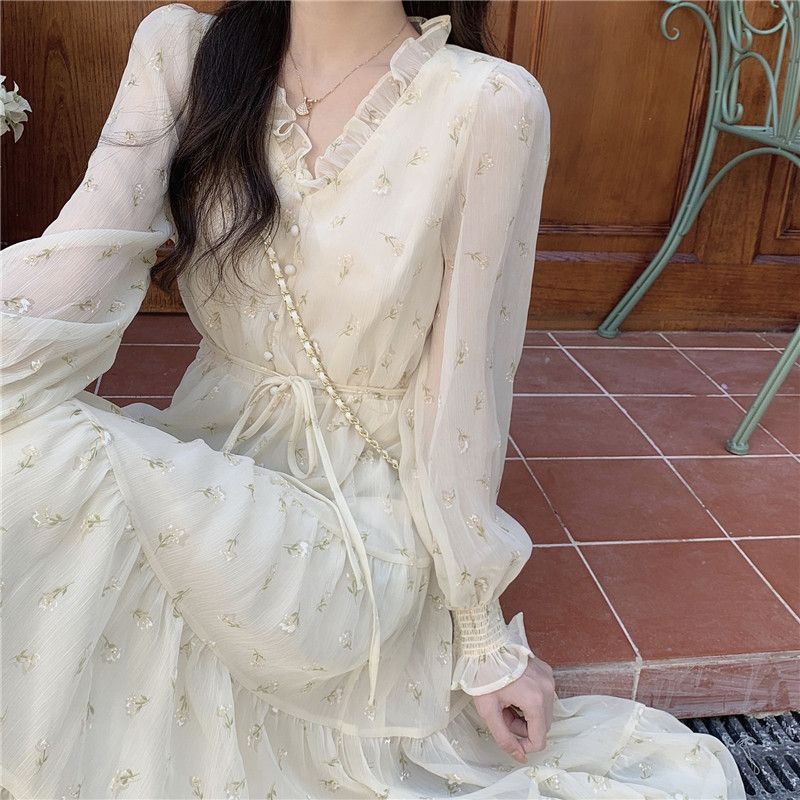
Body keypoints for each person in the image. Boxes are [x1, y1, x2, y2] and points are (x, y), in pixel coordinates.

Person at [0, 2, 746, 798]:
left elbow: (464, 388)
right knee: (31, 452)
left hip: (357, 526)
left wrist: (480, 634)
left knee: (62, 461)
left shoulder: (485, 103)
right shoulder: (183, 52)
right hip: (207, 463)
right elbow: (71, 267)